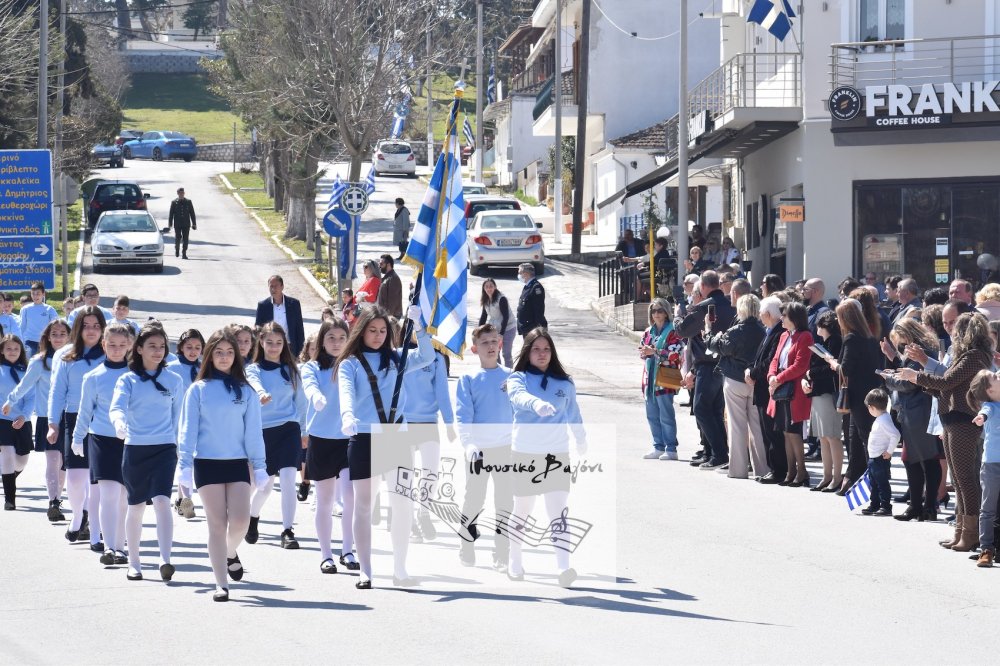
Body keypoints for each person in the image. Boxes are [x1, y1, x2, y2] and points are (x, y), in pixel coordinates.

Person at [336, 303, 433, 589]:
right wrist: (347, 415)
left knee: (402, 505)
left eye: (383, 331)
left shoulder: (398, 359)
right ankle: (366, 569)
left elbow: (427, 356)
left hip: (395, 439)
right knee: (364, 506)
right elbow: (346, 392)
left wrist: (420, 326)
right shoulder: (349, 364)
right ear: (361, 331)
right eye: (372, 330)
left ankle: (400, 569)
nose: (378, 336)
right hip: (363, 437)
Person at [178, 330, 267, 602]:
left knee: (240, 521)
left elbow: (253, 432)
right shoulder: (198, 390)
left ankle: (229, 552)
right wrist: (184, 466)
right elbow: (188, 430)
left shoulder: (246, 391)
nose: (225, 357)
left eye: (229, 352)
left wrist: (260, 466)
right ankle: (221, 583)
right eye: (219, 352)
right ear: (209, 355)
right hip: (207, 463)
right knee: (217, 524)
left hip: (238, 463)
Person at [898, 312, 993, 551]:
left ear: (963, 333)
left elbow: (946, 382)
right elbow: (947, 387)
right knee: (959, 479)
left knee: (964, 478)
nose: (950, 333)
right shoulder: (969, 356)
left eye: (954, 329)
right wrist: (923, 381)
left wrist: (916, 376)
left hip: (962, 420)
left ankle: (970, 534)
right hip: (952, 418)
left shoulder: (973, 356)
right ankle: (961, 530)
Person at [506, 328, 586, 587]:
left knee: (558, 512)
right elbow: (518, 397)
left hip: (556, 455)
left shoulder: (565, 383)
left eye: (547, 349)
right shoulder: (518, 378)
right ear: (528, 352)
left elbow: (573, 413)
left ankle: (564, 568)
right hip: (526, 454)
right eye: (536, 349)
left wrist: (580, 438)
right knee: (523, 510)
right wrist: (535, 404)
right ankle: (514, 559)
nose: (542, 354)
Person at [109, 323, 185, 582]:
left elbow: (179, 419)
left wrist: (181, 449)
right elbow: (117, 407)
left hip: (164, 448)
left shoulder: (174, 380)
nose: (158, 351)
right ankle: (134, 562)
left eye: (162, 346)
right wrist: (119, 423)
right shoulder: (127, 379)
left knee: (162, 501)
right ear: (138, 348)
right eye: (151, 346)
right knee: (137, 505)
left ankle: (165, 560)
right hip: (135, 447)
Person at [73, 323, 134, 564]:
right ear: (104, 345)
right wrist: (78, 438)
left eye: (122, 345)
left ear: (130, 346)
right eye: (112, 345)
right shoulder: (93, 377)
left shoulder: (135, 376)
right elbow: (84, 411)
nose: (117, 349)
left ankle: (120, 546)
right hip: (101, 439)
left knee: (124, 497)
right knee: (108, 494)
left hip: (131, 441)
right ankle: (109, 547)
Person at [454, 324, 514, 570]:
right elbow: (463, 415)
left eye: (493, 341)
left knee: (505, 501)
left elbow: (519, 412)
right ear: (475, 349)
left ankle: (502, 551)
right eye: (485, 343)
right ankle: (466, 544)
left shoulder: (511, 376)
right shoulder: (468, 379)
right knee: (474, 499)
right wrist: (468, 444)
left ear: (500, 344)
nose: (490, 347)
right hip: (478, 451)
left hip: (505, 449)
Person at [245, 322, 307, 550]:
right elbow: (254, 383)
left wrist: (304, 430)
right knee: (265, 486)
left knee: (290, 479)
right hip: (263, 432)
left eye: (278, 343)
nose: (274, 347)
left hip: (289, 429)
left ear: (285, 345)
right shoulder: (253, 369)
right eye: (269, 342)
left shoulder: (292, 370)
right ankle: (253, 517)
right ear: (260, 343)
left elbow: (301, 402)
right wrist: (261, 394)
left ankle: (288, 530)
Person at [48, 306, 107, 544]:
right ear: (78, 327)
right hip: (73, 419)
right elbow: (56, 391)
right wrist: (53, 423)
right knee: (74, 478)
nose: (91, 331)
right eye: (86, 325)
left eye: (96, 326)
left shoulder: (110, 352)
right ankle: (78, 515)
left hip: (103, 421)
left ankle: (99, 524)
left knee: (99, 479)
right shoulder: (65, 355)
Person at [302, 318, 356, 574]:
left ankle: (348, 550)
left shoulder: (352, 365)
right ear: (322, 341)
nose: (336, 343)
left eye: (341, 338)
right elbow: (309, 387)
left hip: (349, 440)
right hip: (322, 440)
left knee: (350, 499)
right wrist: (316, 397)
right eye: (331, 338)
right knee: (324, 501)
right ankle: (326, 554)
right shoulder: (311, 368)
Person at [3, 319, 70, 519]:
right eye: (54, 334)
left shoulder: (76, 360)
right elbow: (25, 385)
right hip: (47, 417)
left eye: (62, 334)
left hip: (73, 416)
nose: (58, 338)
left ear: (69, 336)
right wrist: (11, 400)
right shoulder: (39, 361)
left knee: (65, 463)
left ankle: (58, 496)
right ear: (47, 338)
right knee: (53, 460)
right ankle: (53, 501)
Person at [881, 318, 943, 521]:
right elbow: (909, 374)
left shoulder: (920, 349)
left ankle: (924, 506)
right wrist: (895, 365)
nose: (899, 343)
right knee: (916, 460)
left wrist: (889, 379)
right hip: (915, 411)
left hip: (919, 412)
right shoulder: (921, 348)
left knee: (922, 460)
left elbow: (910, 383)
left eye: (900, 338)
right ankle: (921, 506)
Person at [674, 270, 735, 469]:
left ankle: (718, 453)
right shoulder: (730, 306)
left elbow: (682, 330)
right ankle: (712, 452)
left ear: (704, 287)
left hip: (707, 366)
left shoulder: (704, 307)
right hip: (726, 364)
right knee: (715, 411)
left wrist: (677, 316)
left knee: (701, 408)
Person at [709, 294, 767, 479]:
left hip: (734, 379)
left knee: (737, 426)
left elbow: (721, 347)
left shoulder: (735, 331)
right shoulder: (763, 331)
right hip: (756, 381)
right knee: (757, 427)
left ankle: (738, 469)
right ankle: (762, 469)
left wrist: (709, 334)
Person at [828, 299, 882, 493]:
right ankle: (859, 479)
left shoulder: (852, 338)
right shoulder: (869, 337)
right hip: (869, 393)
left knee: (866, 439)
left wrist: (833, 364)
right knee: (858, 437)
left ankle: (875, 483)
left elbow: (846, 368)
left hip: (858, 395)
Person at [767, 302, 814, 487]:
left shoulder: (806, 336)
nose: (781, 318)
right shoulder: (784, 335)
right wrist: (772, 376)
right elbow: (775, 359)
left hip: (794, 389)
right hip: (781, 387)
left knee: (794, 432)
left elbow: (801, 366)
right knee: (786, 432)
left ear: (794, 318)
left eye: (784, 315)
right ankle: (791, 470)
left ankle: (801, 471)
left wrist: (778, 378)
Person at [166, 328, 204, 519]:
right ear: (180, 347)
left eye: (197, 347)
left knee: (190, 459)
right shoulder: (171, 368)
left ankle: (181, 499)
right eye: (189, 347)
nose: (193, 351)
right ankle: (187, 499)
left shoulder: (205, 368)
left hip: (200, 420)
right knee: (183, 458)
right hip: (177, 421)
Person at [640, 298, 684, 461]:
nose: (656, 314)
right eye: (653, 311)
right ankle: (658, 446)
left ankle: (671, 448)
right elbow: (642, 351)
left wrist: (656, 352)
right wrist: (645, 352)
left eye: (660, 310)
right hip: (649, 377)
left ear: (666, 313)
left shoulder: (673, 331)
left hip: (665, 377)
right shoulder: (648, 332)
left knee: (666, 414)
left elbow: (675, 354)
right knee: (651, 414)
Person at [805, 310, 844, 492]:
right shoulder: (825, 342)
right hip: (819, 392)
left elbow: (831, 369)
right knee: (823, 437)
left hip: (829, 393)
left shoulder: (835, 342)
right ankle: (827, 476)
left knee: (832, 436)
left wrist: (810, 374)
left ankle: (836, 477)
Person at [970, 370, 1000, 567]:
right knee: (988, 508)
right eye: (995, 377)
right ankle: (986, 549)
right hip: (991, 465)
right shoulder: (990, 406)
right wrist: (980, 417)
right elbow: (985, 412)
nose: (998, 375)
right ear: (990, 390)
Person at [0, 334, 31, 511]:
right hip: (2, 420)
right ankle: (10, 499)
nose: (12, 352)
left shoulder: (26, 371)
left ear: (21, 351)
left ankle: (7, 475)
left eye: (16, 349)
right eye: (9, 348)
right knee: (8, 454)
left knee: (21, 461)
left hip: (22, 420)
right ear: (2, 351)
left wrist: (24, 416)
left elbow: (31, 397)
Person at [859, 389, 899, 516]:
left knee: (882, 484)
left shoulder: (884, 420)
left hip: (880, 458)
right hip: (874, 457)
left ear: (872, 407)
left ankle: (886, 506)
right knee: (874, 483)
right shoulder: (881, 418)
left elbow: (895, 435)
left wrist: (889, 451)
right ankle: (874, 504)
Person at [254, 275, 306, 357]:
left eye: (276, 286)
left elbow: (299, 329)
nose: (273, 289)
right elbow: (258, 329)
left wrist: (300, 352)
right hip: (271, 348)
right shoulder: (263, 305)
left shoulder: (293, 304)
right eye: (271, 286)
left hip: (289, 348)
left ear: (282, 287)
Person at [478, 278, 516, 368]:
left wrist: (502, 334)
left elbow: (505, 317)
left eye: (491, 286)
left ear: (495, 287)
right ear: (484, 288)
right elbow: (484, 316)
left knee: (506, 353)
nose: (489, 289)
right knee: (495, 353)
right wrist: (478, 331)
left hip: (508, 328)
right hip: (496, 329)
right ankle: (498, 374)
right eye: (486, 287)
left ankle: (509, 375)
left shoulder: (501, 299)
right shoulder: (486, 300)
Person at [18, 282, 57, 357]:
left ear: (43, 294)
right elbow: (22, 326)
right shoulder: (25, 309)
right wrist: (21, 342)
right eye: (33, 293)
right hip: (30, 342)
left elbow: (55, 326)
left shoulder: (49, 309)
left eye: (38, 293)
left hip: (45, 342)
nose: (35, 296)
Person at [516, 263, 546, 337]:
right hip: (526, 327)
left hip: (532, 328)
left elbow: (538, 310)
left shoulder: (536, 288)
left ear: (526, 274)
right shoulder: (528, 286)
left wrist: (539, 330)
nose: (519, 275)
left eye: (520, 273)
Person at [167, 187, 197, 259]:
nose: (181, 194)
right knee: (178, 238)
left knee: (185, 239)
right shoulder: (174, 202)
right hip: (177, 224)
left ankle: (184, 253)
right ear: (178, 194)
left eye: (182, 193)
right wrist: (170, 224)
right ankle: (177, 249)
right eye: (180, 193)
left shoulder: (188, 202)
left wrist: (194, 223)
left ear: (184, 193)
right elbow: (171, 214)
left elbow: (192, 213)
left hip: (186, 224)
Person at [376, 254, 403, 319]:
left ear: (388, 264)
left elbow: (393, 301)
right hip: (385, 315)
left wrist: (388, 318)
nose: (379, 266)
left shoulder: (393, 278)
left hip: (391, 316)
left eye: (381, 264)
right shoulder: (387, 277)